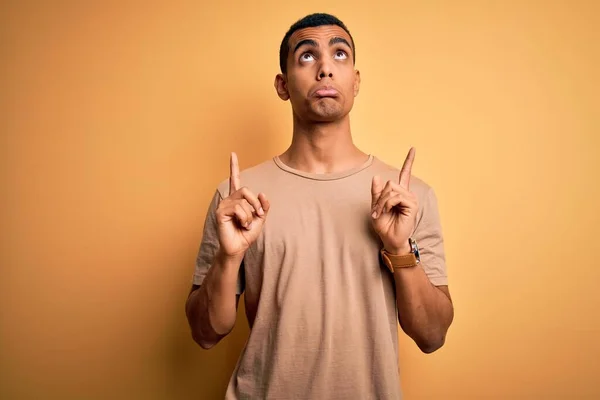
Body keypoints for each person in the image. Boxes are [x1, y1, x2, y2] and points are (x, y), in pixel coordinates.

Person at [185, 12, 454, 399]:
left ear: (356, 82)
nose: (326, 68)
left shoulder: (406, 199)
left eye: (340, 54)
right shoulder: (237, 199)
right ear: (283, 84)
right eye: (307, 56)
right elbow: (205, 334)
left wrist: (399, 251)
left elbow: (432, 336)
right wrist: (228, 259)